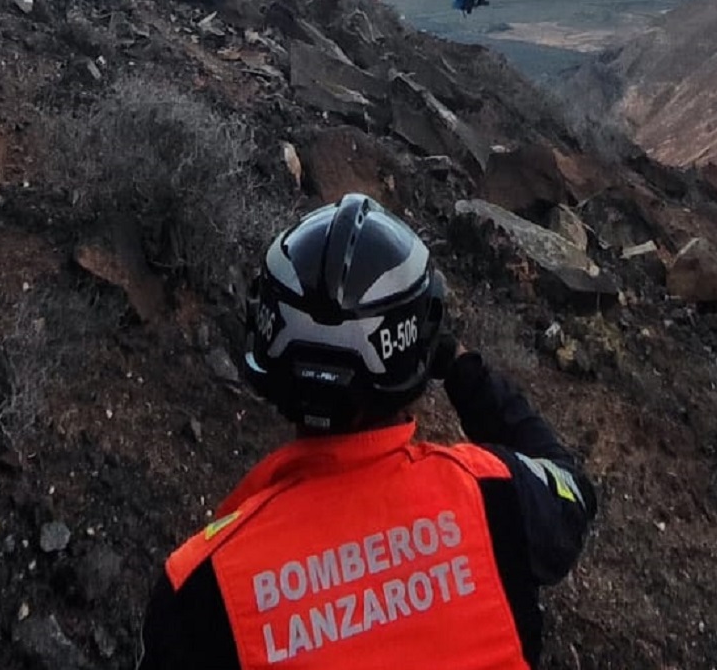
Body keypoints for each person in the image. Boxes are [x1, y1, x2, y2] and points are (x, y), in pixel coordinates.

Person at [138, 193, 596, 669]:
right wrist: (462, 368)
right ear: (418, 349)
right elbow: (573, 491)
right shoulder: (495, 495)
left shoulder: (202, 583)